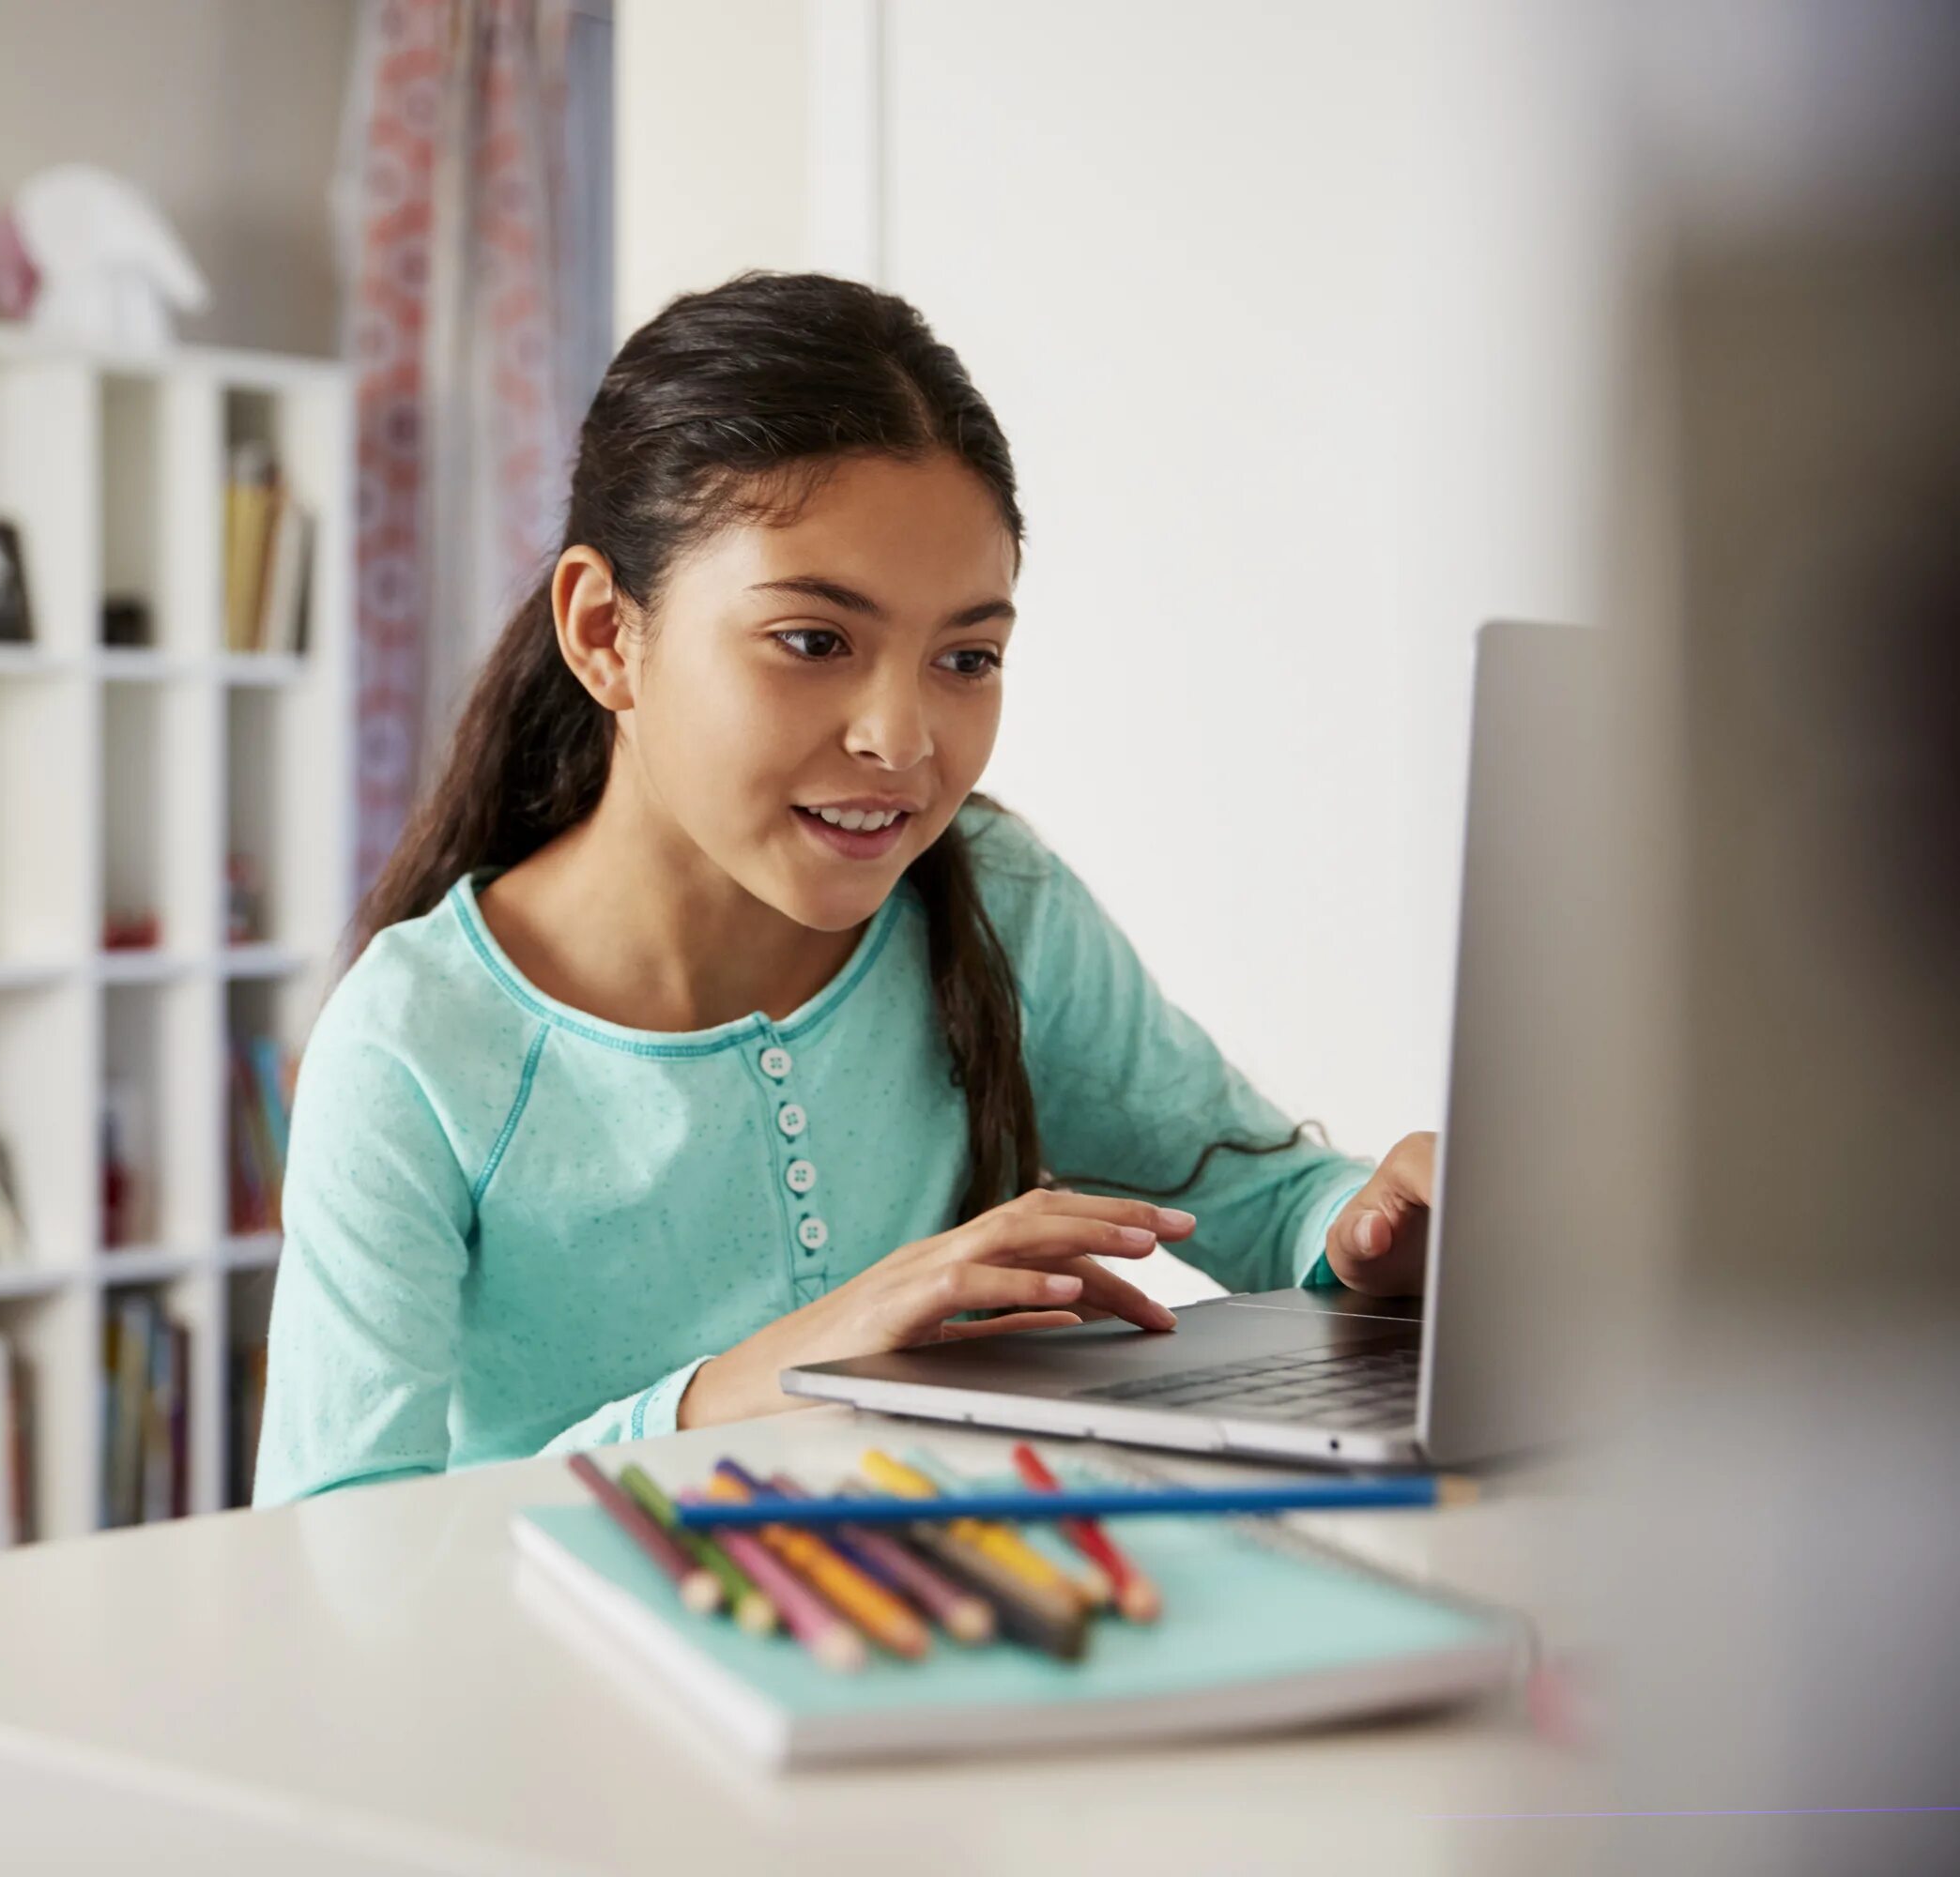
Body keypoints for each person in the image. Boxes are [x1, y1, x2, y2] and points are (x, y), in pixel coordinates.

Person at [252, 272, 1435, 1504]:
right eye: (815, 642)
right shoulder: (418, 1044)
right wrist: (749, 1386)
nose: (904, 738)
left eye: (966, 657)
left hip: (947, 1643)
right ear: (607, 633)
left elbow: (1261, 1195)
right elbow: (333, 1550)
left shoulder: (996, 905)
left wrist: (1367, 1226)